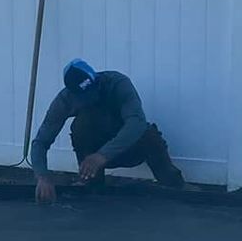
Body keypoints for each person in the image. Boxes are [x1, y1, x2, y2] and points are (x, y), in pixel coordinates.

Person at [31, 58, 185, 204]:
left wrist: (103, 155)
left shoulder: (118, 83)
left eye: (93, 91)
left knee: (148, 133)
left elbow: (136, 123)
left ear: (96, 79)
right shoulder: (65, 100)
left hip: (129, 149)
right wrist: (42, 176)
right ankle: (92, 185)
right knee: (81, 125)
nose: (91, 98)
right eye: (84, 96)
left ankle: (174, 185)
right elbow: (40, 142)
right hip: (94, 156)